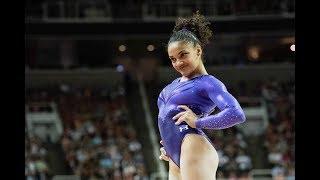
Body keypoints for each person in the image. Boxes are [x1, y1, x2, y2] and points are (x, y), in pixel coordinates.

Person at [157, 11, 246, 180]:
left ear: (198, 51)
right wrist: (168, 144)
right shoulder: (171, 86)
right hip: (175, 156)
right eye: (173, 59)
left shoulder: (209, 83)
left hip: (193, 147)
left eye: (183, 55)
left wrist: (198, 122)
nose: (178, 63)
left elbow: (236, 114)